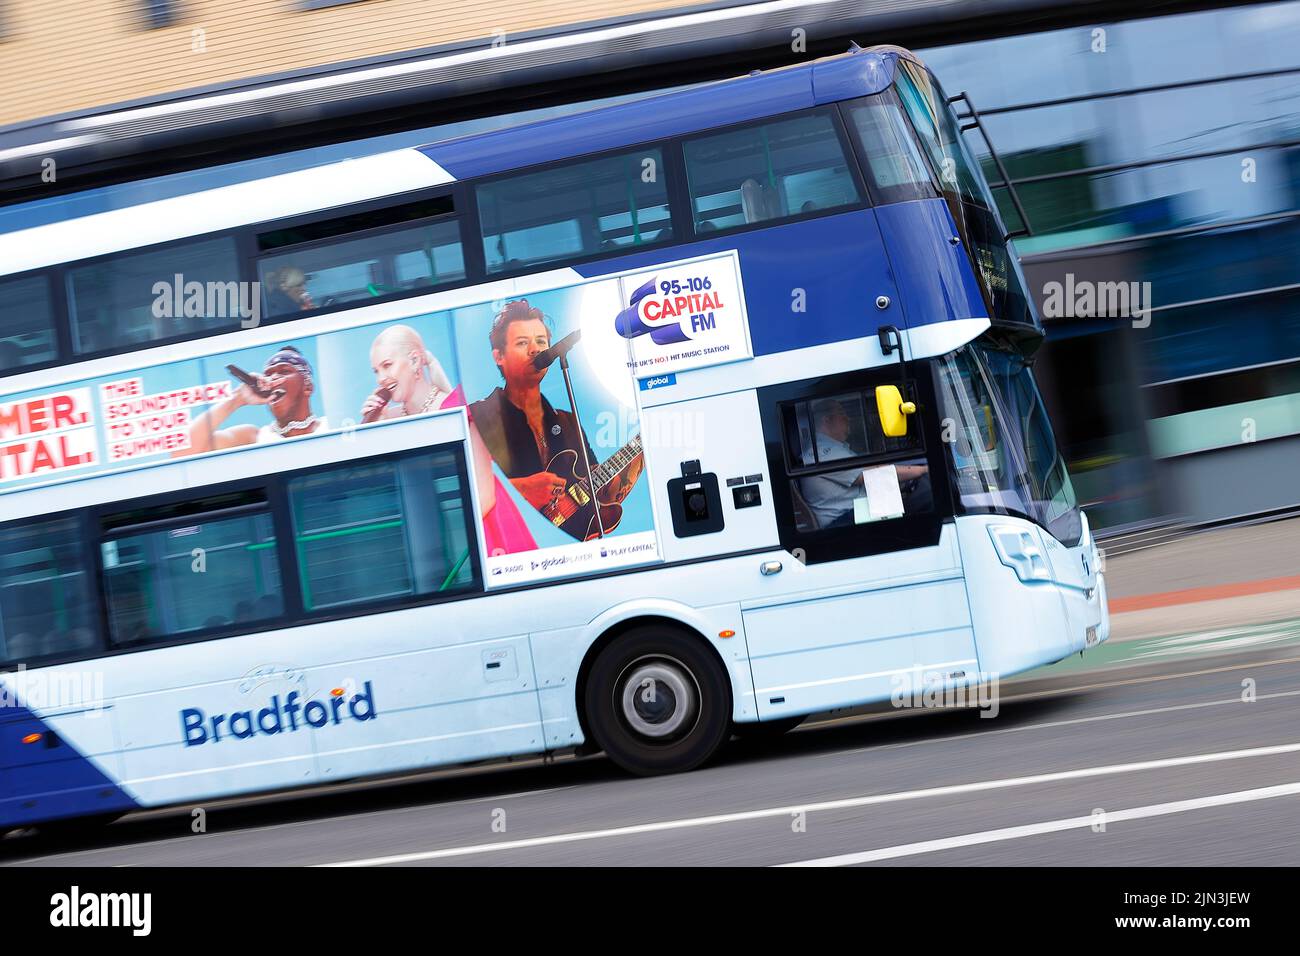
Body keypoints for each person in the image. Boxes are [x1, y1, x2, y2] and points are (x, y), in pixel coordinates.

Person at [469, 300, 643, 537]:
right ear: (499, 356)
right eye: (522, 342)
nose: (535, 350)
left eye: (541, 342)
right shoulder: (478, 418)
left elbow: (601, 493)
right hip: (518, 548)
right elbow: (469, 493)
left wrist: (641, 449)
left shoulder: (568, 422)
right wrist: (521, 489)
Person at [360, 324, 535, 555]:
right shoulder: (388, 419)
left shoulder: (459, 409)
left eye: (387, 365)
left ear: (414, 361)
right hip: (433, 539)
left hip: (483, 535)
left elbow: (485, 496)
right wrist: (371, 428)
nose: (381, 378)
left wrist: (444, 539)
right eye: (376, 371)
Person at [174, 345, 327, 457]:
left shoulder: (332, 424)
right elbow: (183, 452)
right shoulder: (252, 437)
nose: (273, 378)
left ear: (307, 386)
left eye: (284, 371)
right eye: (268, 374)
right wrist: (238, 399)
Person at [800, 398, 929, 529]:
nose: (848, 418)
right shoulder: (823, 453)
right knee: (926, 501)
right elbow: (873, 474)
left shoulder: (830, 448)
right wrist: (922, 470)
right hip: (844, 521)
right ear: (827, 420)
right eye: (842, 414)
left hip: (856, 512)